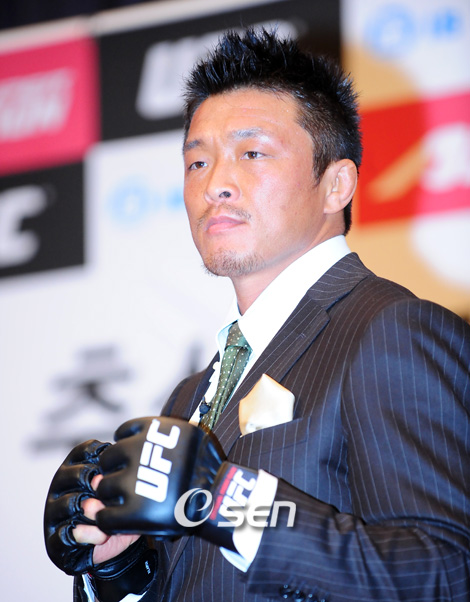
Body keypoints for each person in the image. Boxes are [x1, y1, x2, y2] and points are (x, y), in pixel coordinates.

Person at [44, 28, 470, 602]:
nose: (215, 185)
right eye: (197, 162)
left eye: (252, 153)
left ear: (336, 184)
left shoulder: (391, 330)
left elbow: (446, 572)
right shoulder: (189, 395)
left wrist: (228, 503)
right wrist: (114, 567)